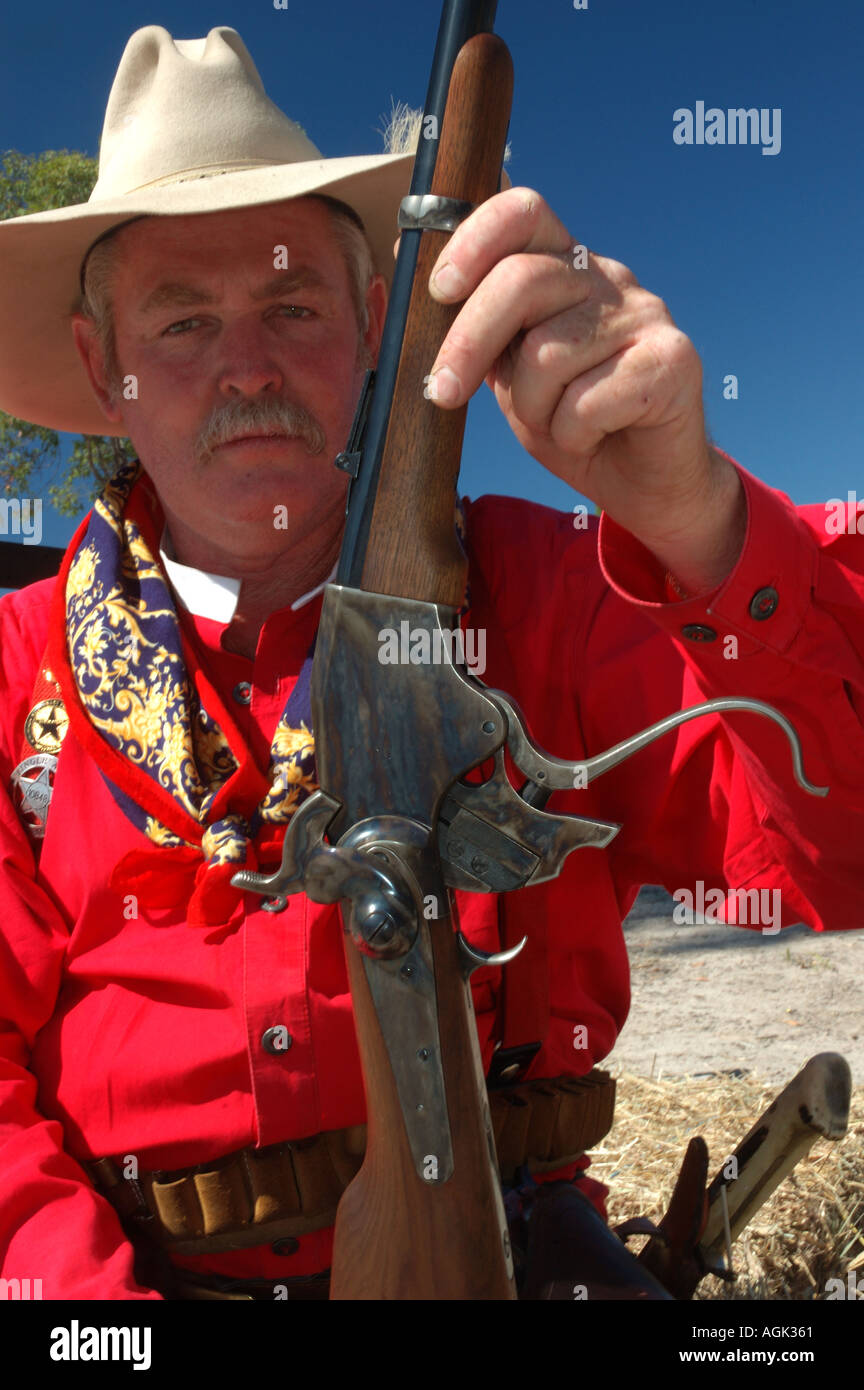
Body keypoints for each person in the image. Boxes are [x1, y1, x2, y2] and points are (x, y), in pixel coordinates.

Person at [0, 25, 861, 1301]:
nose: (247, 367)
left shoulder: (555, 586)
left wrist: (705, 527)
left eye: (292, 306)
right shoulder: (16, 669)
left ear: (370, 328)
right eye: (182, 322)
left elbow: (828, 867)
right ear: (100, 366)